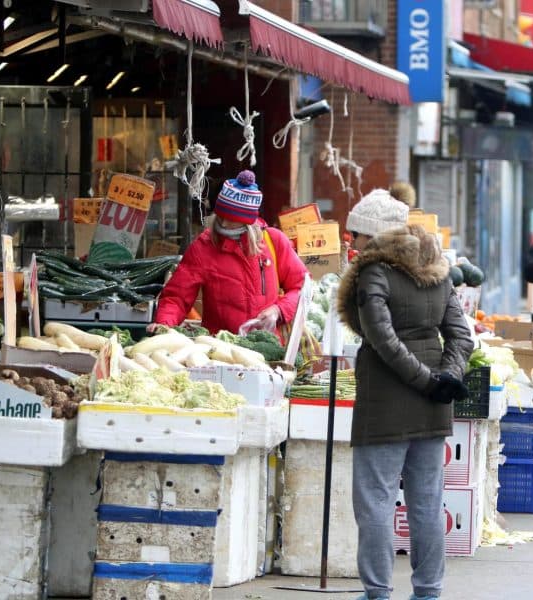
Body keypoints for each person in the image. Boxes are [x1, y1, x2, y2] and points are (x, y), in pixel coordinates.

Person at [336, 189, 474, 600]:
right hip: (432, 406)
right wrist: (445, 377)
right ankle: (428, 591)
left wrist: (427, 380)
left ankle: (378, 591)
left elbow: (382, 338)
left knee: (376, 501)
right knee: (427, 502)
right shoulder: (437, 268)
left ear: (374, 236)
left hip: (384, 402)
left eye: (357, 235)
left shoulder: (373, 272)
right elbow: (461, 335)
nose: (352, 243)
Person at [151, 170, 308, 334]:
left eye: (232, 219)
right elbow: (176, 297)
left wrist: (279, 310)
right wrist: (164, 324)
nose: (224, 223)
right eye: (220, 216)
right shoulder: (203, 248)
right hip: (222, 350)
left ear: (247, 222)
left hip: (270, 351)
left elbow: (303, 288)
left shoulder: (274, 241)